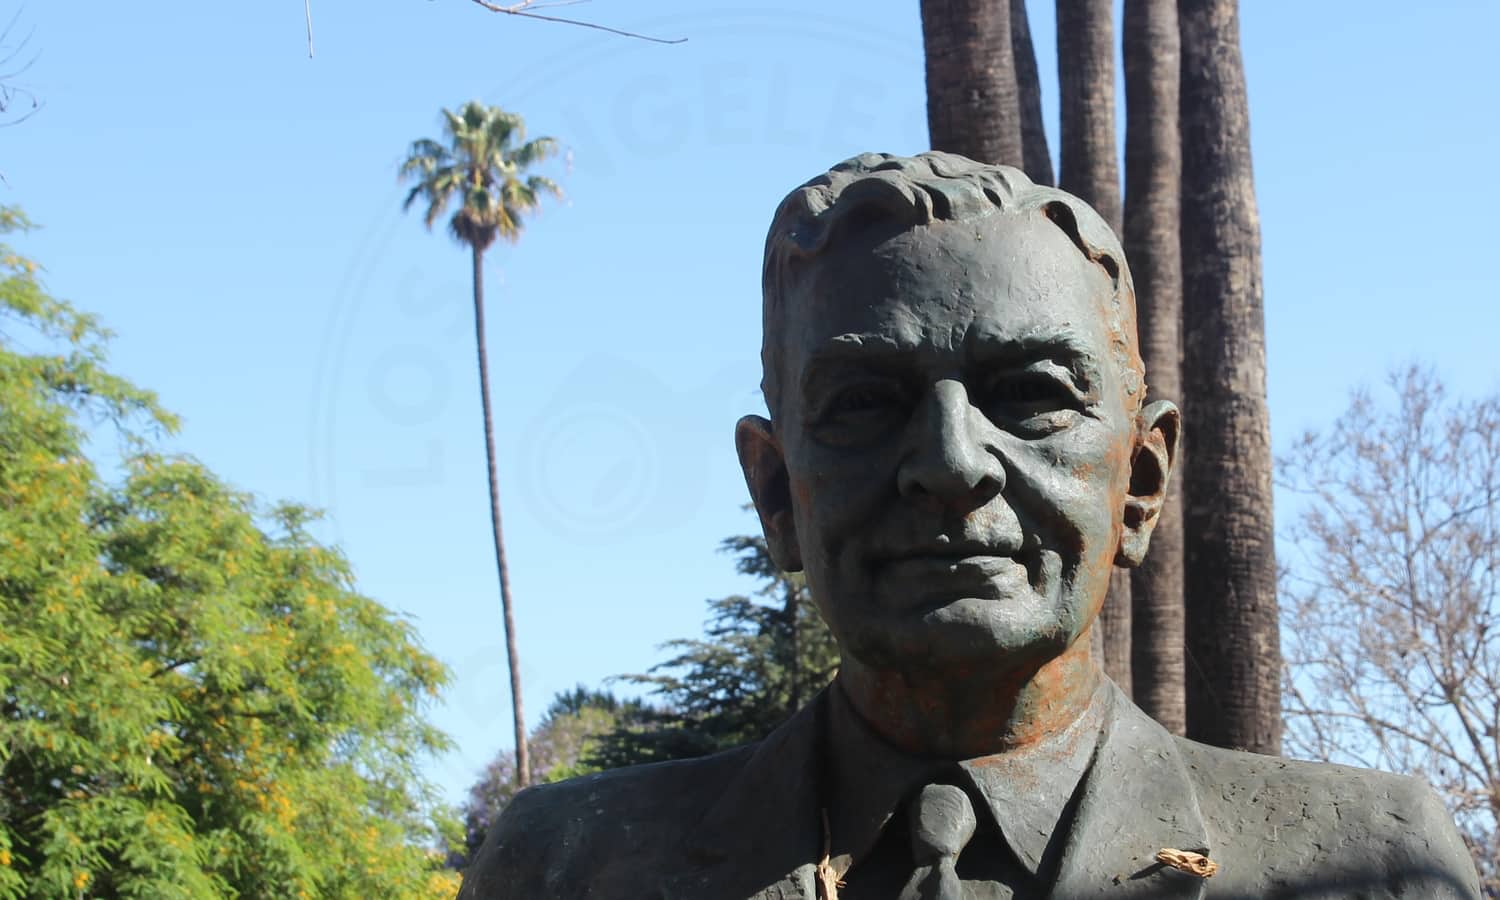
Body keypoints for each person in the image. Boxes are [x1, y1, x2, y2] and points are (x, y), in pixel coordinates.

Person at [458, 152, 1480, 899]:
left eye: (1031, 394)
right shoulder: (563, 867)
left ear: (1141, 482)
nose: (951, 465)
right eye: (864, 402)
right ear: (776, 493)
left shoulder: (1372, 862)